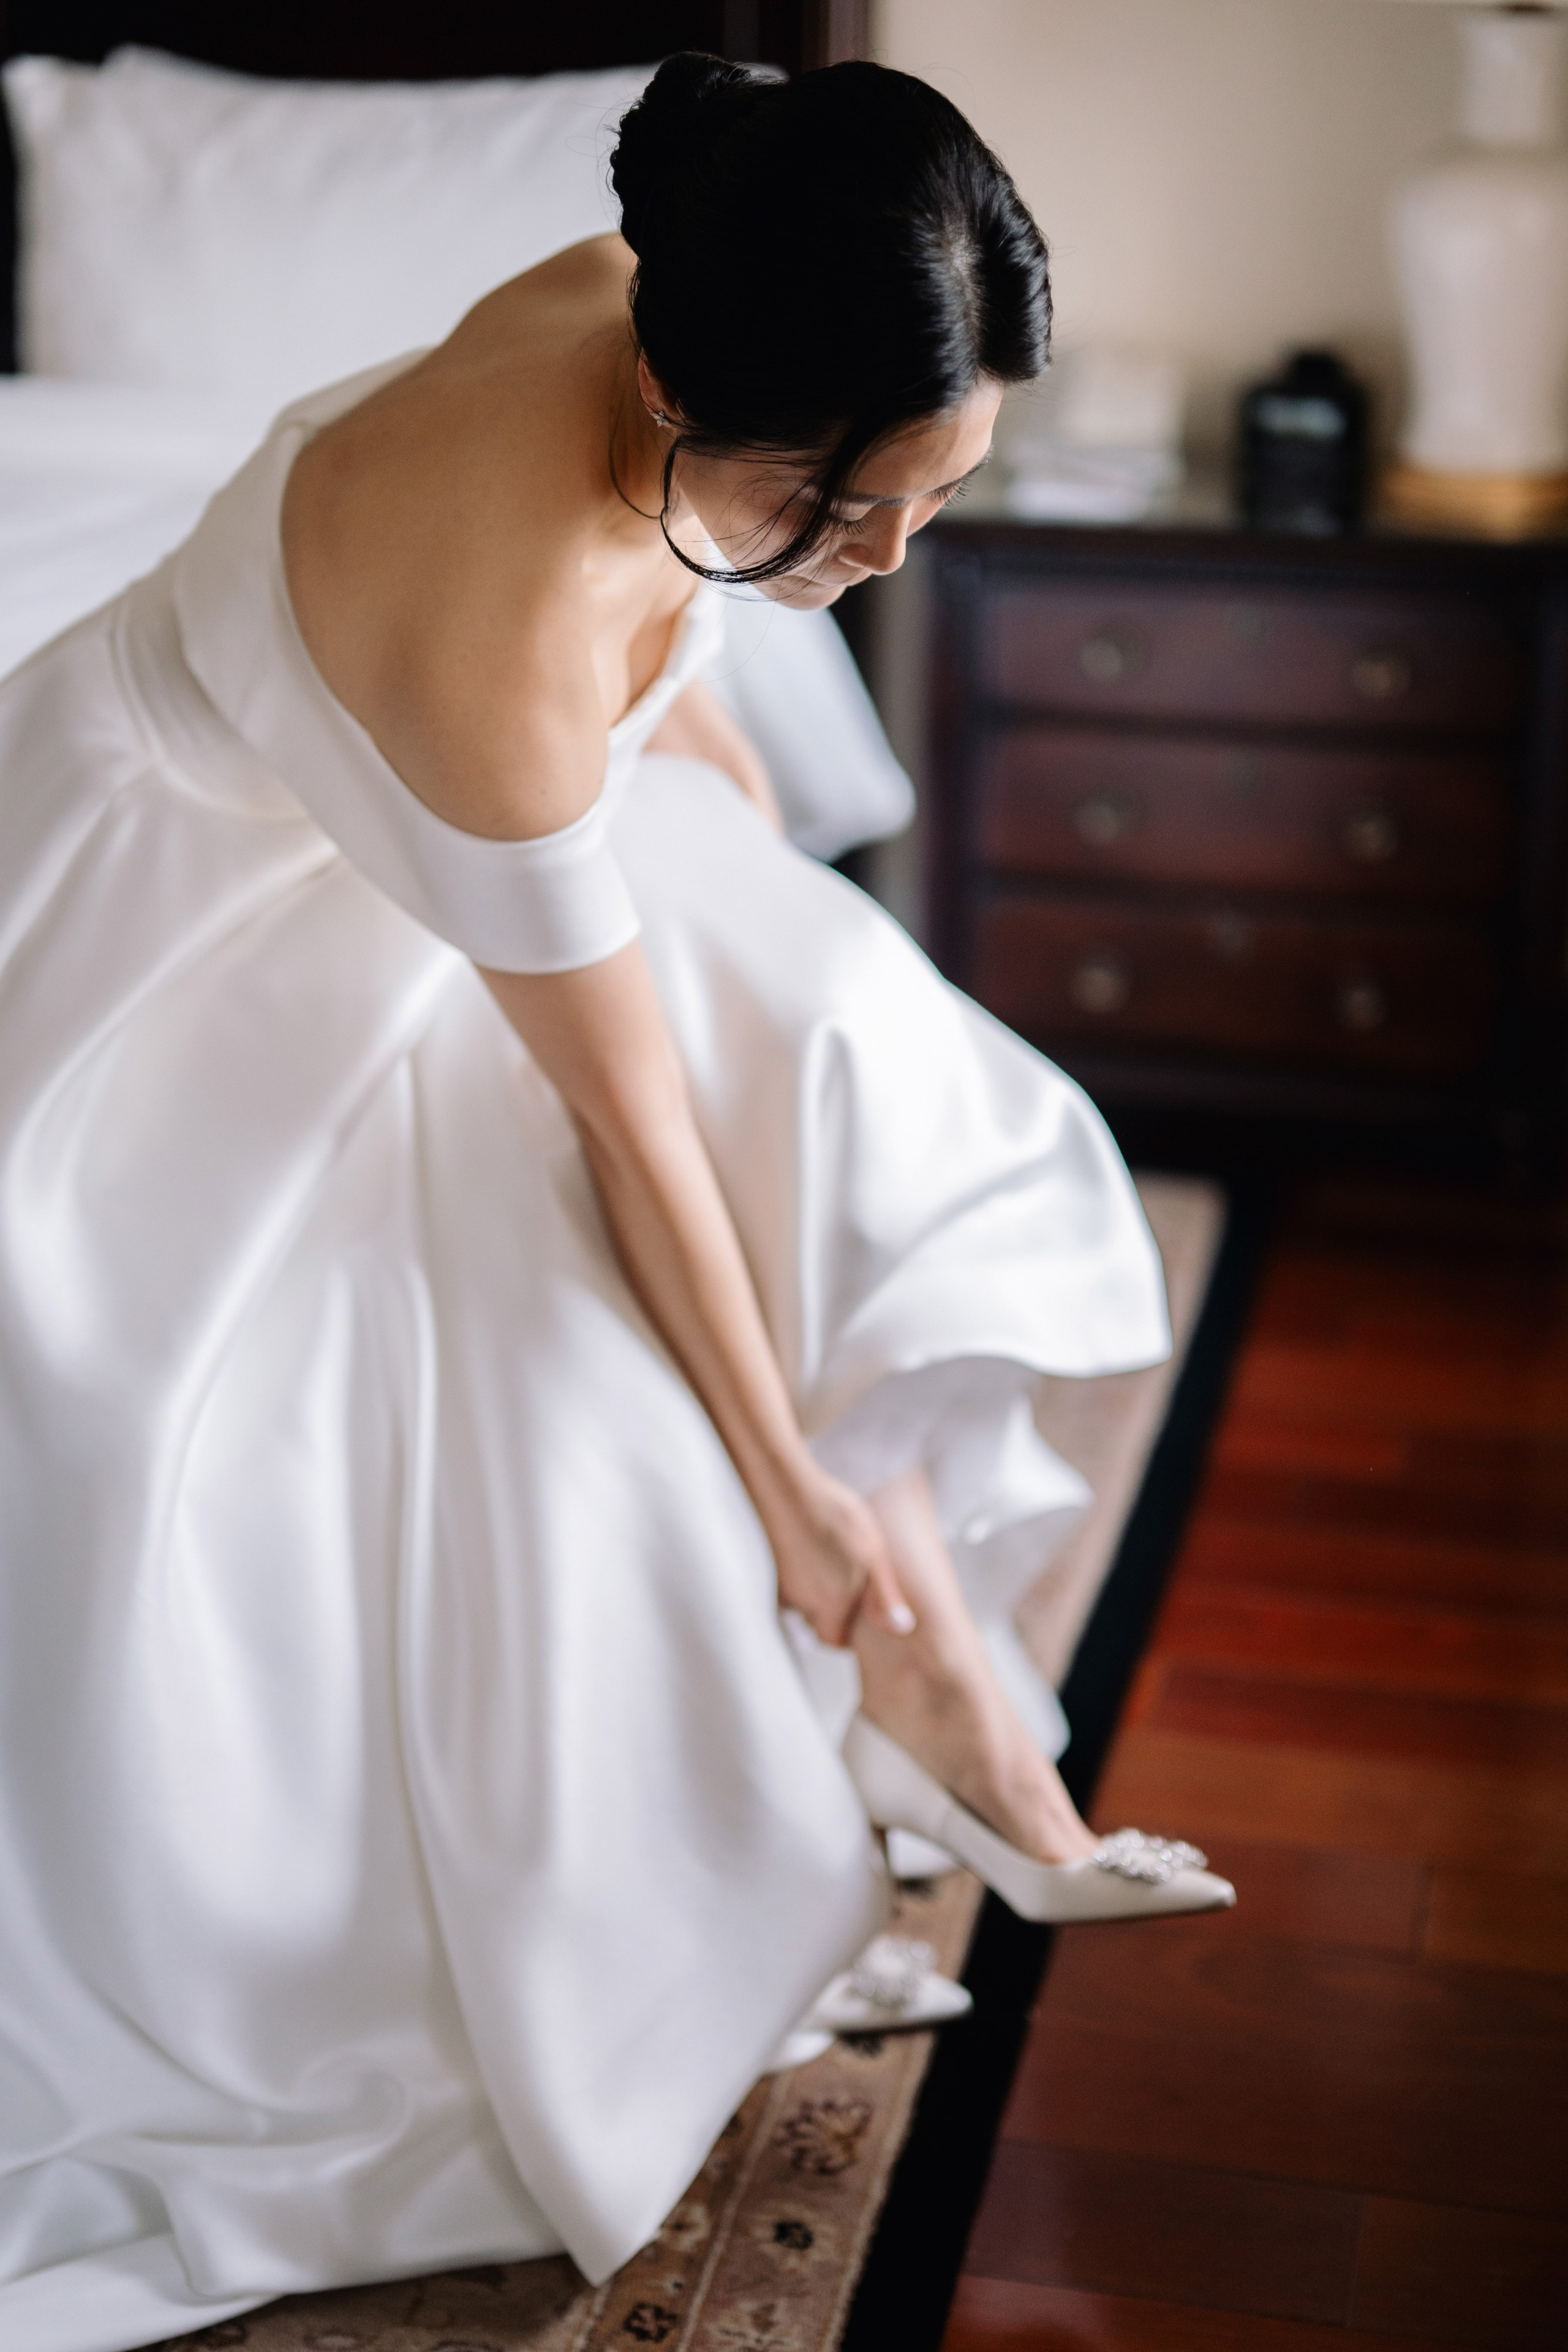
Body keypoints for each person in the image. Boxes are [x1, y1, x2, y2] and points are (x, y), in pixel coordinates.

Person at [0, 54, 1231, 2352]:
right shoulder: (494, 624)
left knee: (833, 1015)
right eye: (842, 512)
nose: (880, 565)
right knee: (586, 1370)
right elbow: (626, 1126)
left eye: (932, 501)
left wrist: (773, 862)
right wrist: (783, 1488)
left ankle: (937, 1664)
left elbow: (701, 667)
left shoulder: (646, 287)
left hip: (408, 824)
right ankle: (895, 1652)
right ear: (686, 398)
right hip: (183, 926)